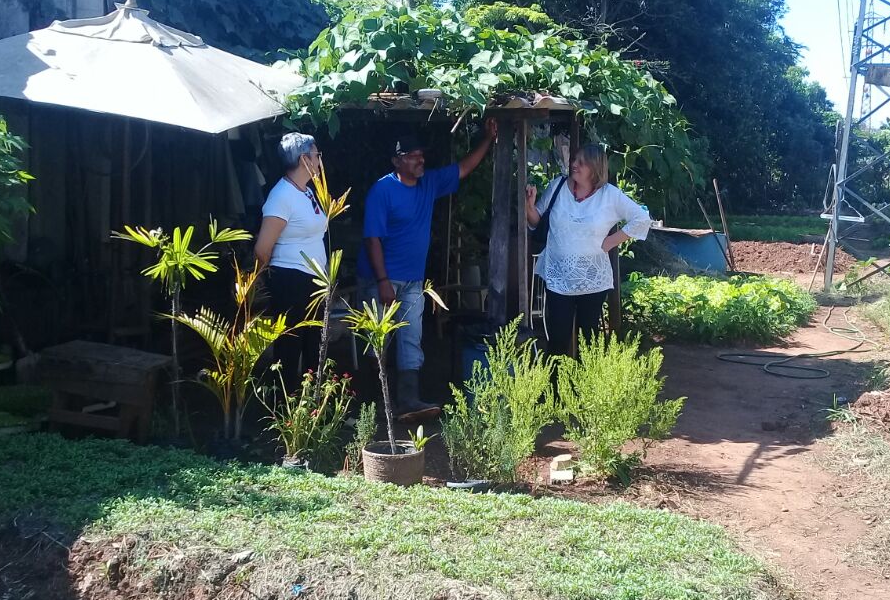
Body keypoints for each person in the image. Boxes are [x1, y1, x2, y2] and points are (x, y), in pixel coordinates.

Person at [358, 119, 498, 414]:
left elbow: (463, 168)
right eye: (412, 156)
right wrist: (382, 281)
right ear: (397, 161)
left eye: (421, 155)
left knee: (411, 338)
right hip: (381, 280)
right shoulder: (382, 190)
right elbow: (372, 239)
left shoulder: (429, 183)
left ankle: (408, 401)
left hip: (412, 280)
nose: (419, 159)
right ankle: (376, 404)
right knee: (377, 339)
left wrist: (487, 138)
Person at [526, 143, 651, 358]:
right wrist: (529, 205)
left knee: (588, 343)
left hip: (592, 281)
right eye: (575, 160)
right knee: (557, 341)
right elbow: (536, 221)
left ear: (595, 169)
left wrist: (611, 241)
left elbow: (642, 219)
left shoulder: (610, 195)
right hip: (559, 278)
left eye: (581, 162)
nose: (574, 164)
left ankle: (586, 381)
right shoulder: (558, 186)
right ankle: (555, 381)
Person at [254, 132, 327, 387]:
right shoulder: (281, 196)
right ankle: (284, 402)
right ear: (304, 159)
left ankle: (312, 401)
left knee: (314, 343)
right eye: (316, 155)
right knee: (290, 344)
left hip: (314, 279)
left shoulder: (307, 191)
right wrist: (258, 280)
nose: (319, 161)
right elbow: (263, 248)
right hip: (290, 279)